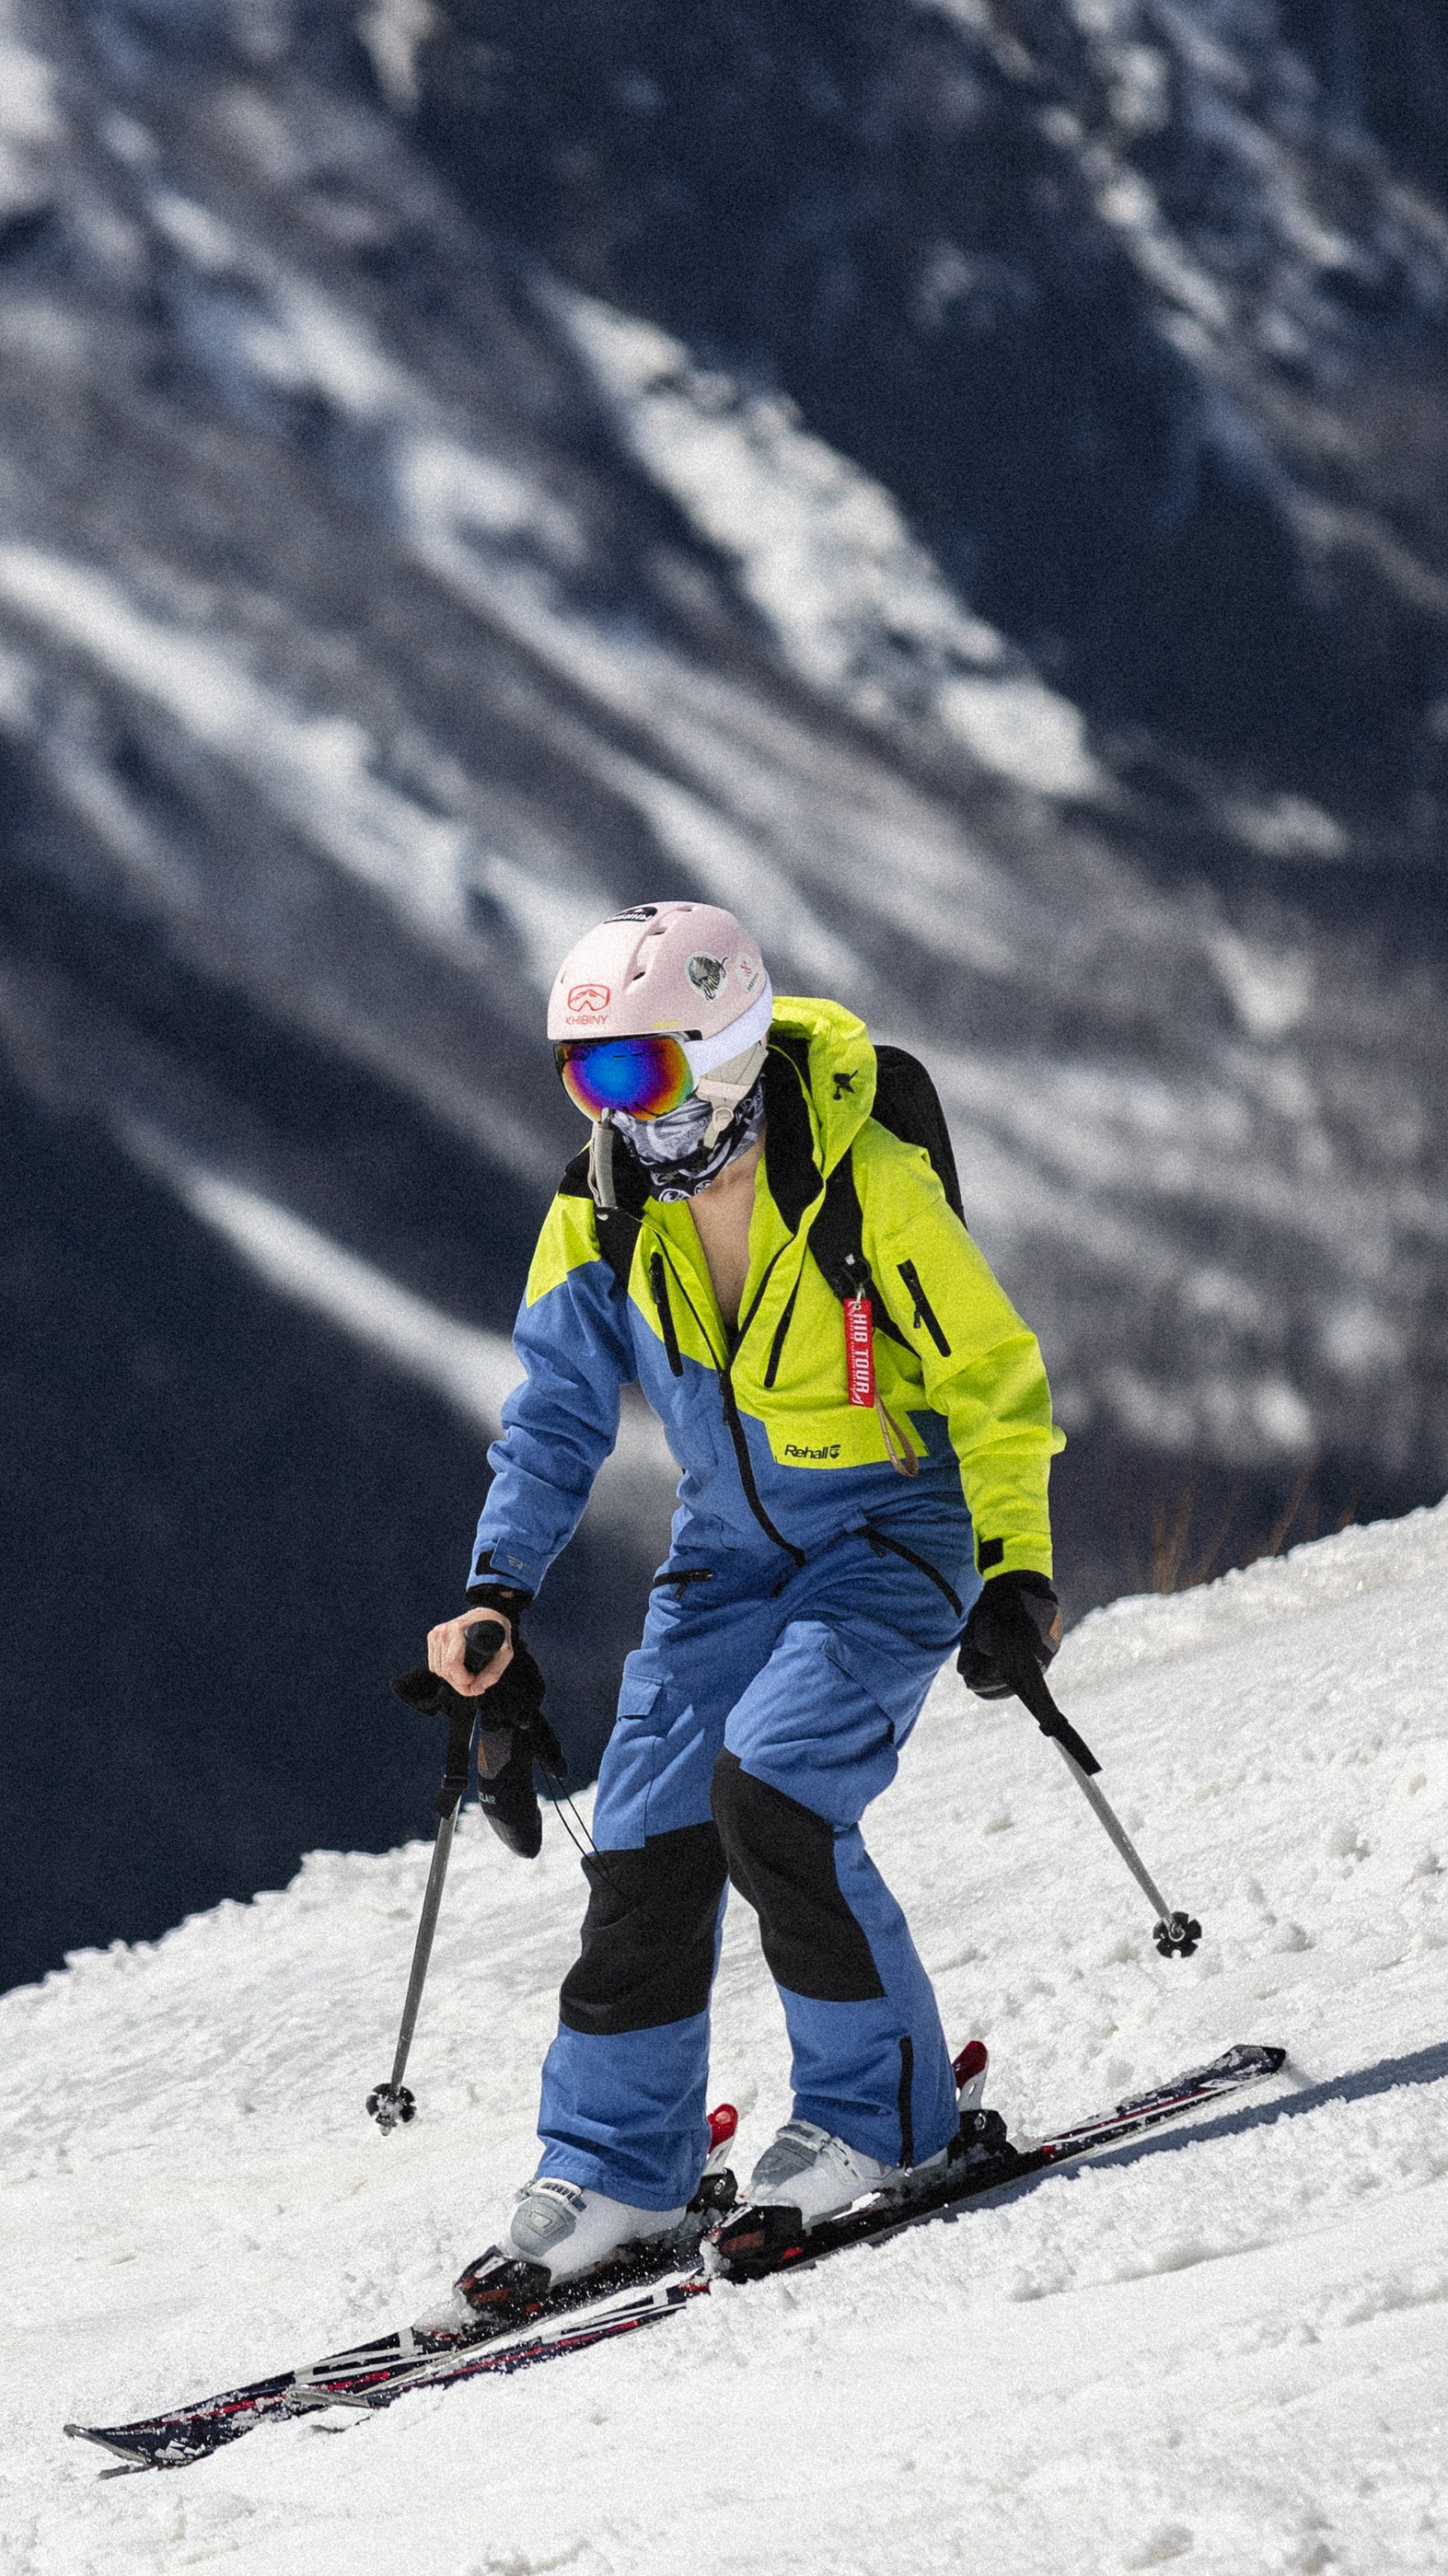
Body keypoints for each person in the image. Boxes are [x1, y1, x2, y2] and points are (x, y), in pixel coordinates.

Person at [420, 898, 1064, 2325]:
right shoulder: (600, 1205)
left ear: (719, 1045)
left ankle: (881, 2115)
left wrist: (1018, 1572)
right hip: (726, 1554)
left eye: (632, 1073)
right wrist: (494, 1597)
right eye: (585, 1077)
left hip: (896, 1530)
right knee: (647, 1825)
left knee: (771, 1792)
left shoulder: (861, 1185)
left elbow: (995, 1385)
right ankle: (620, 2167)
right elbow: (552, 1415)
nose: (610, 1111)